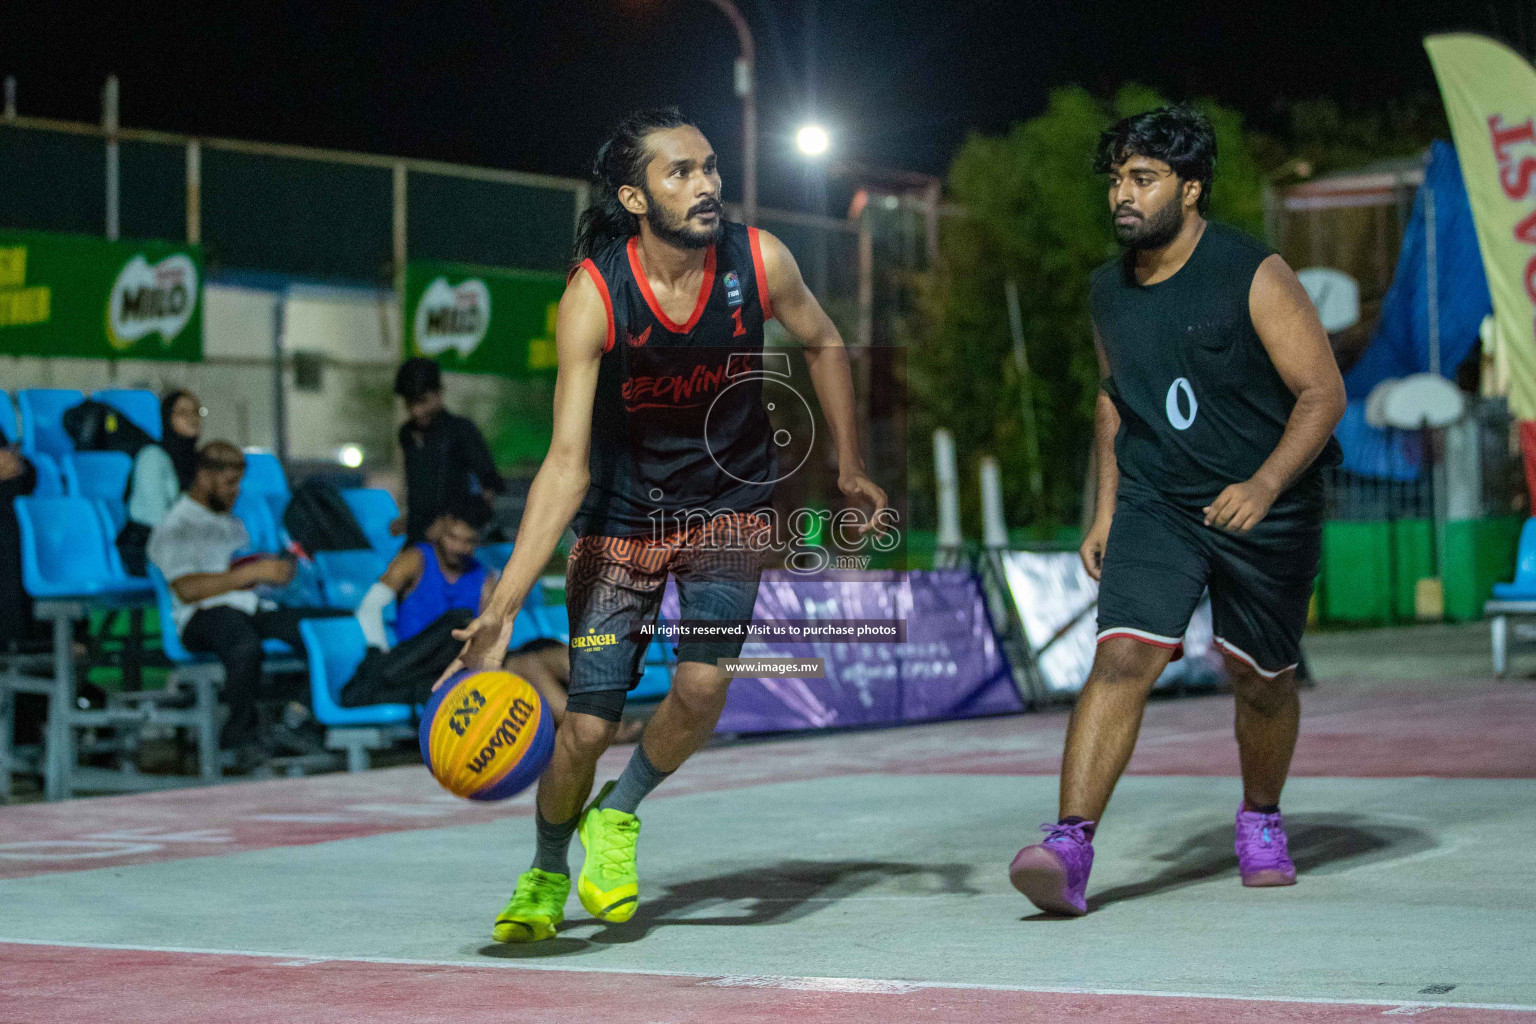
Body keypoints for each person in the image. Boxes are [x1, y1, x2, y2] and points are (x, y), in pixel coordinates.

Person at [441, 108, 886, 943]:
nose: (707, 183)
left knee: (705, 683)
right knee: (586, 725)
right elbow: (565, 463)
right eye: (680, 172)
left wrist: (849, 465)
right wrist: (500, 608)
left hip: (728, 507)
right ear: (634, 197)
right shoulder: (595, 293)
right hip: (621, 520)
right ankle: (544, 869)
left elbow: (825, 343)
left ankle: (622, 811)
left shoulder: (759, 259)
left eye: (710, 166)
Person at [1008, 106, 1346, 916]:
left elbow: (1322, 392)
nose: (1123, 194)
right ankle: (1069, 845)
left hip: (1267, 508)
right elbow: (1115, 401)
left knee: (1260, 679)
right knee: (1122, 656)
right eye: (1118, 178)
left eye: (1144, 178)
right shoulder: (1107, 292)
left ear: (1191, 189)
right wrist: (1103, 512)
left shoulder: (1252, 271)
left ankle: (1261, 819)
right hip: (1160, 500)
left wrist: (1263, 484)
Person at [147, 441, 345, 771]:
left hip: (249, 607)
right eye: (229, 483)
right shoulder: (175, 527)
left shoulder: (230, 522)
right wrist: (250, 573)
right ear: (203, 477)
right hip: (201, 615)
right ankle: (240, 739)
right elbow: (187, 589)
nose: (236, 491)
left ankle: (295, 721)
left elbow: (241, 576)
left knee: (331, 627)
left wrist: (272, 574)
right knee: (243, 646)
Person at [345, 496, 572, 716]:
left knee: (552, 654)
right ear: (441, 529)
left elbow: (490, 634)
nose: (460, 547)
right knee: (525, 665)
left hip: (468, 660)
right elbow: (369, 607)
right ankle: (578, 728)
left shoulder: (483, 576)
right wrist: (381, 653)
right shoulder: (416, 559)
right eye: (454, 538)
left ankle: (592, 716)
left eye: (469, 541)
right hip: (425, 663)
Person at [392, 357, 505, 545]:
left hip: (454, 544)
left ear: (439, 394)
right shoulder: (407, 434)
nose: (416, 412)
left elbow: (489, 488)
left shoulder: (461, 431)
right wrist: (408, 521)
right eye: (410, 404)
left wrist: (454, 524)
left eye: (422, 402)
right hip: (418, 539)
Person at [117, 389, 201, 577]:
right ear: (167, 418)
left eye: (196, 411)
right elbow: (157, 518)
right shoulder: (153, 457)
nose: (192, 418)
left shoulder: (199, 462)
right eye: (183, 412)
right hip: (146, 545)